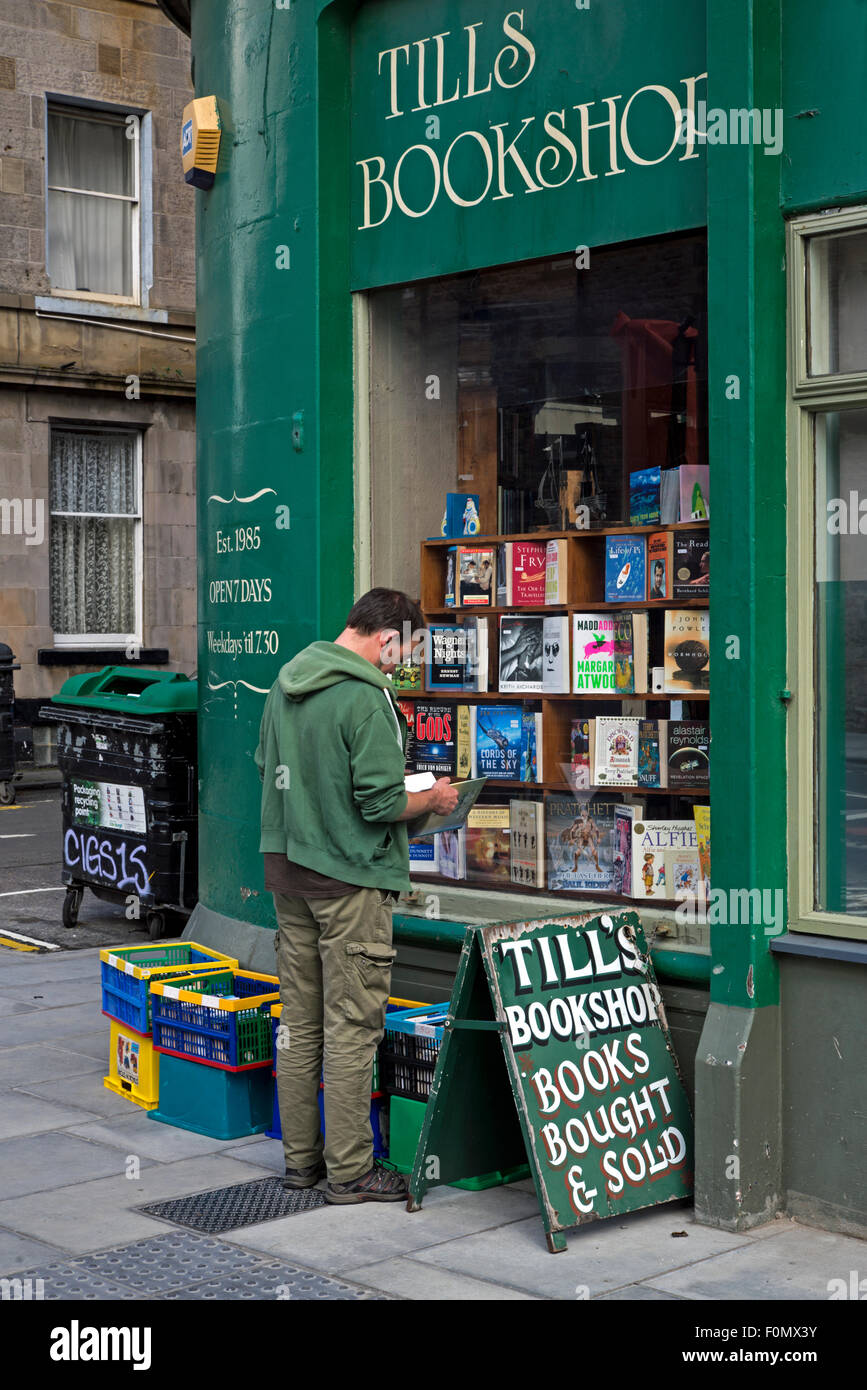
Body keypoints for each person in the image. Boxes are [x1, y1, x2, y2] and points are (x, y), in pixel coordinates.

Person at [255, 588, 459, 1204]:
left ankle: (301, 1164)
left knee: (299, 1022)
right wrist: (435, 800)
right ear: (386, 636)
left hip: (289, 874)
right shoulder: (367, 697)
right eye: (405, 651)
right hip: (348, 880)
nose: (401, 665)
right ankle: (349, 1173)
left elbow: (269, 768)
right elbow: (380, 803)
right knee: (351, 1027)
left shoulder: (285, 682)